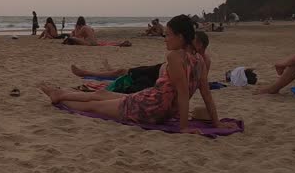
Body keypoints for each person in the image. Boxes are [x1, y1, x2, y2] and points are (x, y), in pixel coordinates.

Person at [40, 15, 231, 131]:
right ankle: (61, 93)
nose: (166, 38)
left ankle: (61, 98)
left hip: (151, 107)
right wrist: (216, 123)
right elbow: (205, 94)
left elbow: (182, 94)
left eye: (169, 34)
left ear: (181, 37)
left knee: (95, 105)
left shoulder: (175, 56)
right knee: (102, 94)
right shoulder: (200, 60)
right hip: (153, 102)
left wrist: (183, 127)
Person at [73, 31, 213, 95]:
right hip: (158, 70)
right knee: (123, 72)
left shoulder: (201, 60)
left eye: (192, 40)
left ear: (199, 45)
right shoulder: (194, 57)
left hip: (157, 77)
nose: (189, 42)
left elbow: (195, 84)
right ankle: (88, 72)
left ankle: (88, 73)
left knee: (123, 75)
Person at [63, 16, 131, 47]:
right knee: (107, 43)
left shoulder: (83, 28)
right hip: (95, 42)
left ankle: (121, 43)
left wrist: (74, 30)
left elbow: (77, 36)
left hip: (90, 44)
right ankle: (121, 43)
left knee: (71, 38)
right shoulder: (88, 27)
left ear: (78, 23)